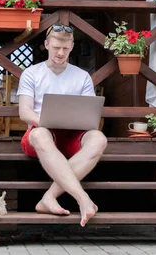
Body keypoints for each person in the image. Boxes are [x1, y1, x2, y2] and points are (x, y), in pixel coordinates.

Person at [17, 23, 108, 227]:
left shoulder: (82, 76)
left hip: (72, 134)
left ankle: (49, 197)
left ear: (72, 47)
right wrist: (47, 121)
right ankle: (82, 198)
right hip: (40, 134)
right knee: (41, 134)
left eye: (65, 49)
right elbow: (25, 112)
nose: (60, 53)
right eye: (56, 47)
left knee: (98, 139)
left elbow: (89, 112)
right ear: (46, 44)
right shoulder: (31, 73)